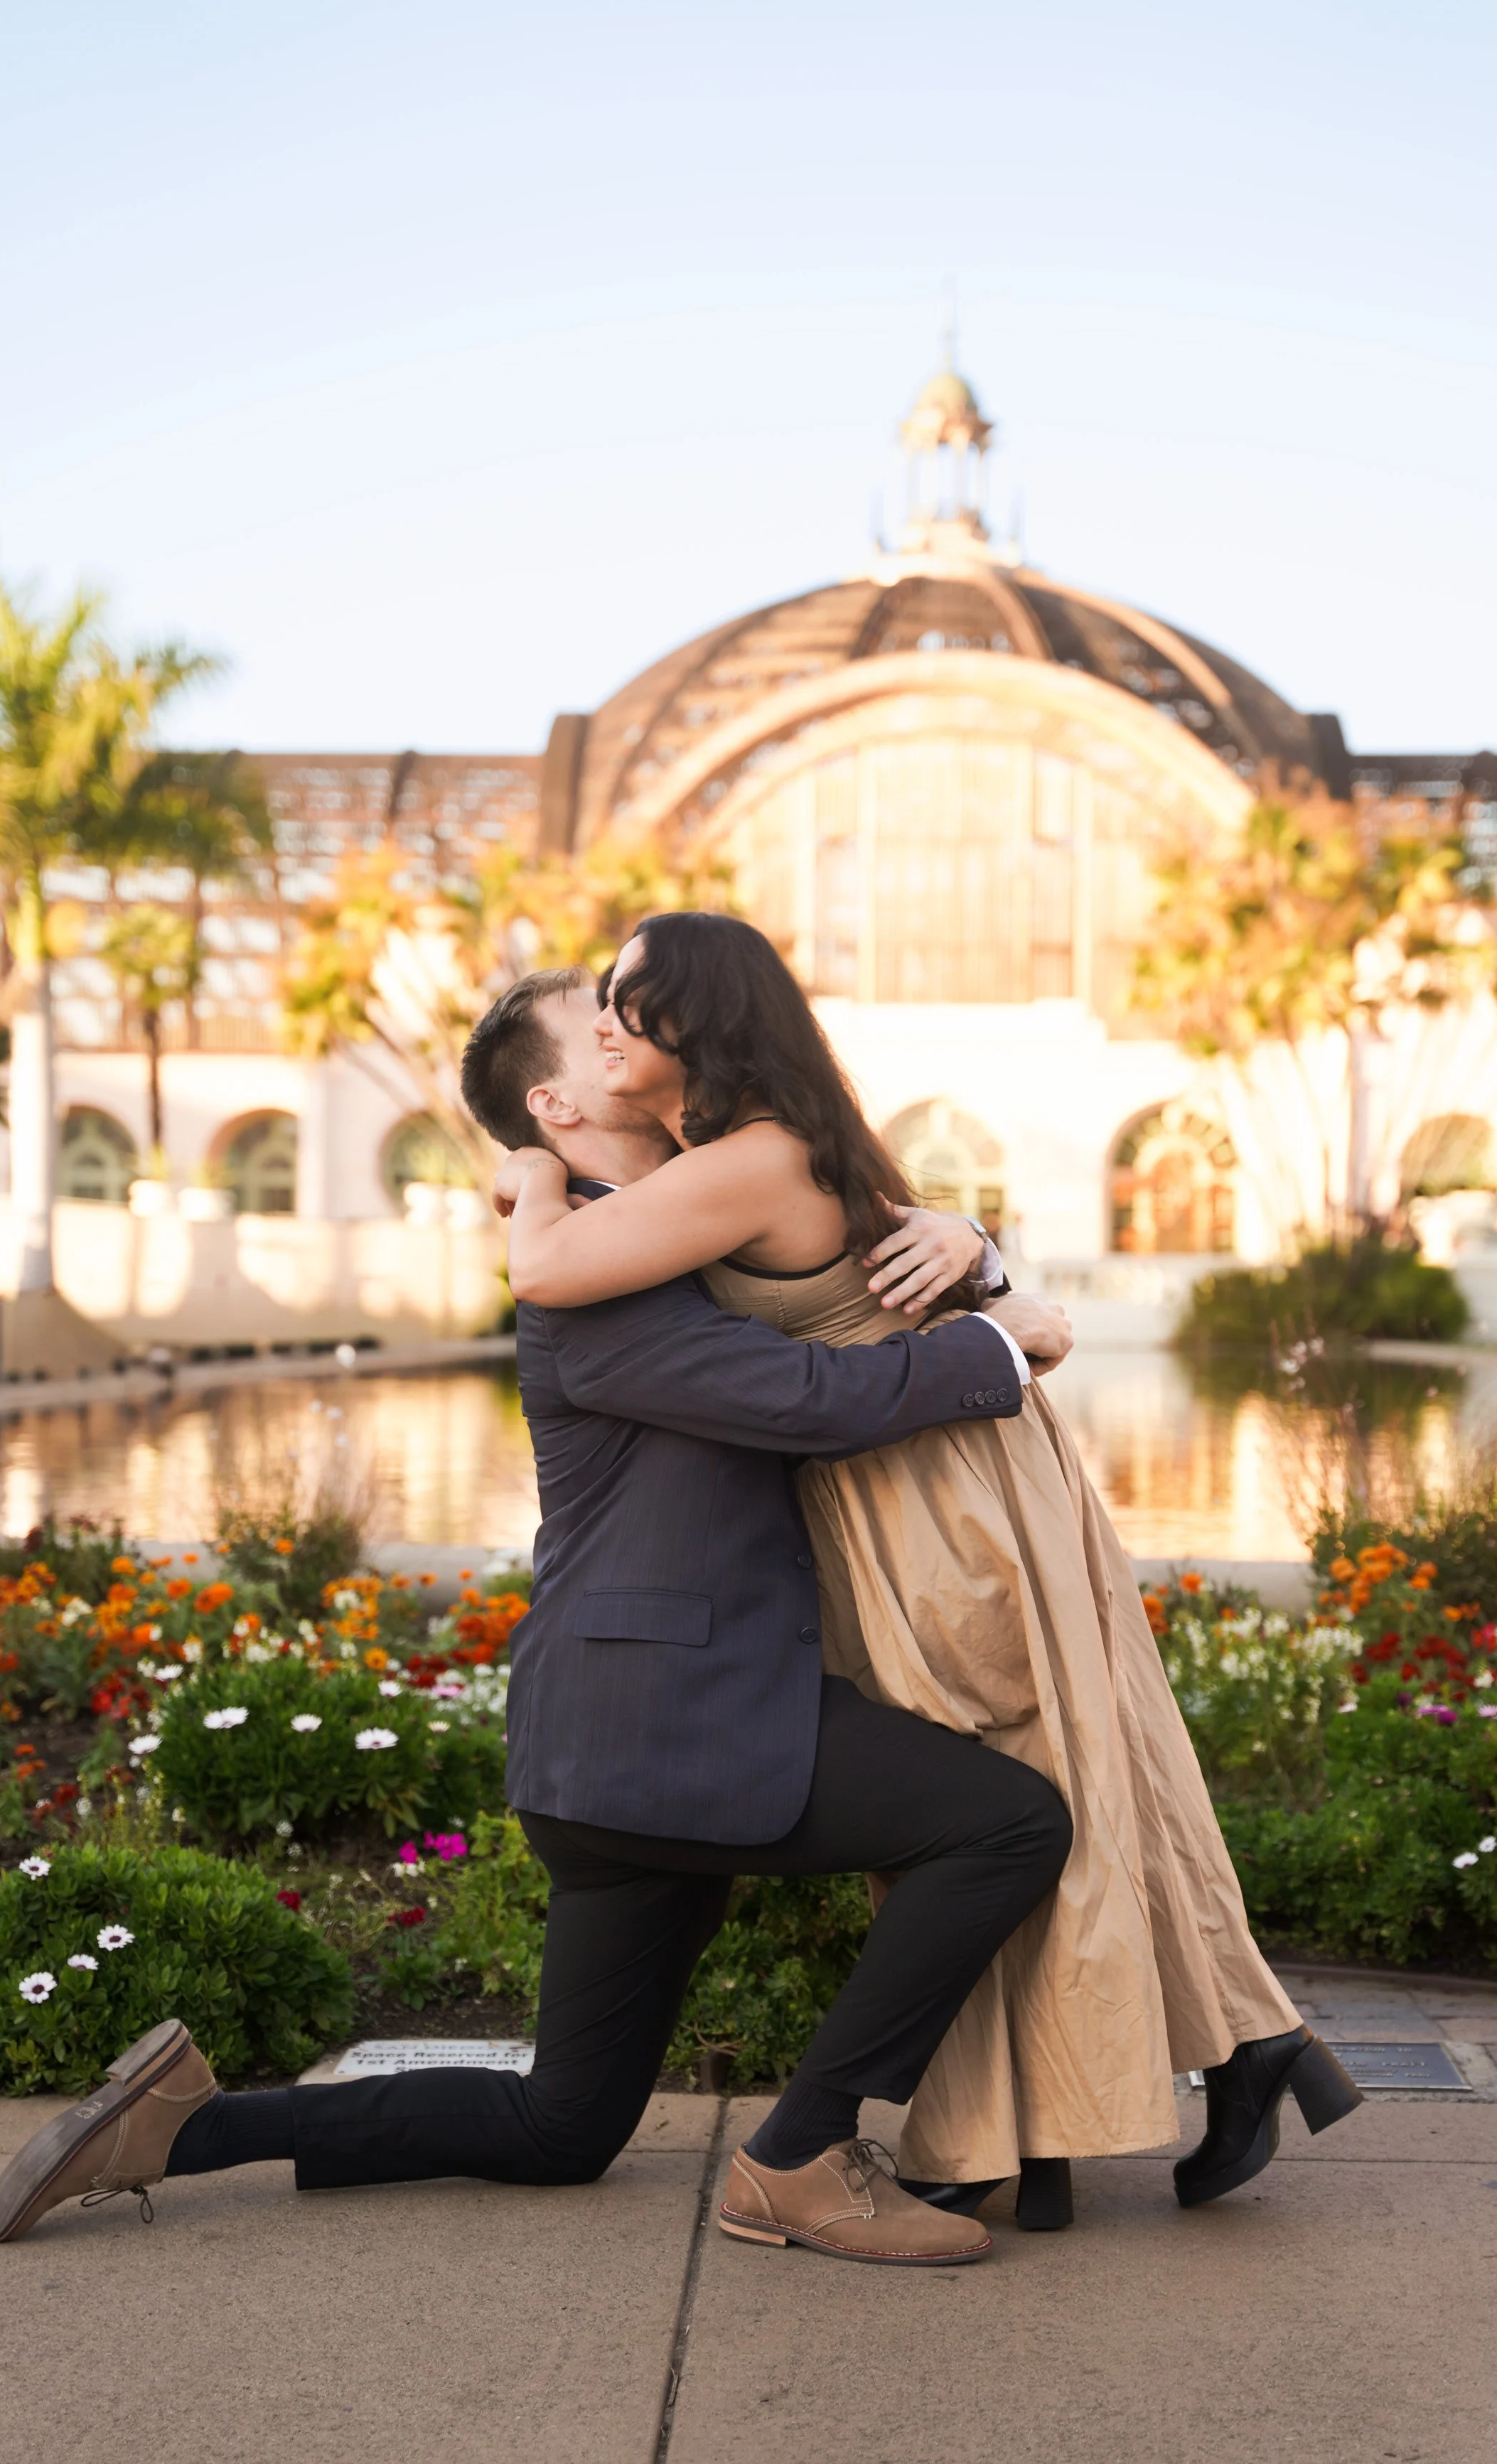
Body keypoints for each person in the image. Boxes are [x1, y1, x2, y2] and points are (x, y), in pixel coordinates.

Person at [0, 967, 1080, 2268]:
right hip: (672, 1731)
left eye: (640, 1023)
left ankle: (185, 2128)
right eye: (601, 1032)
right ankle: (797, 2158)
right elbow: (813, 1398)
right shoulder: (588, 1285)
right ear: (553, 1100)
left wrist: (970, 1241)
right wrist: (1008, 1341)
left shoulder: (660, 1229)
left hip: (626, 1750)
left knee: (565, 2128)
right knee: (1010, 1824)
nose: (634, 1039)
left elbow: (825, 1257)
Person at [494, 915, 1362, 2229]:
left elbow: (557, 1269)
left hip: (932, 1503)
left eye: (629, 999)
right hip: (930, 1486)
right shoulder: (752, 1141)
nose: (608, 1018)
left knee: (1020, 1799)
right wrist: (981, 1256)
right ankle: (1183, 2075)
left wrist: (528, 1182)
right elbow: (893, 1251)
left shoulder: (745, 1157)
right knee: (1059, 1779)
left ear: (698, 1022)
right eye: (598, 1006)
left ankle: (1110, 2104)